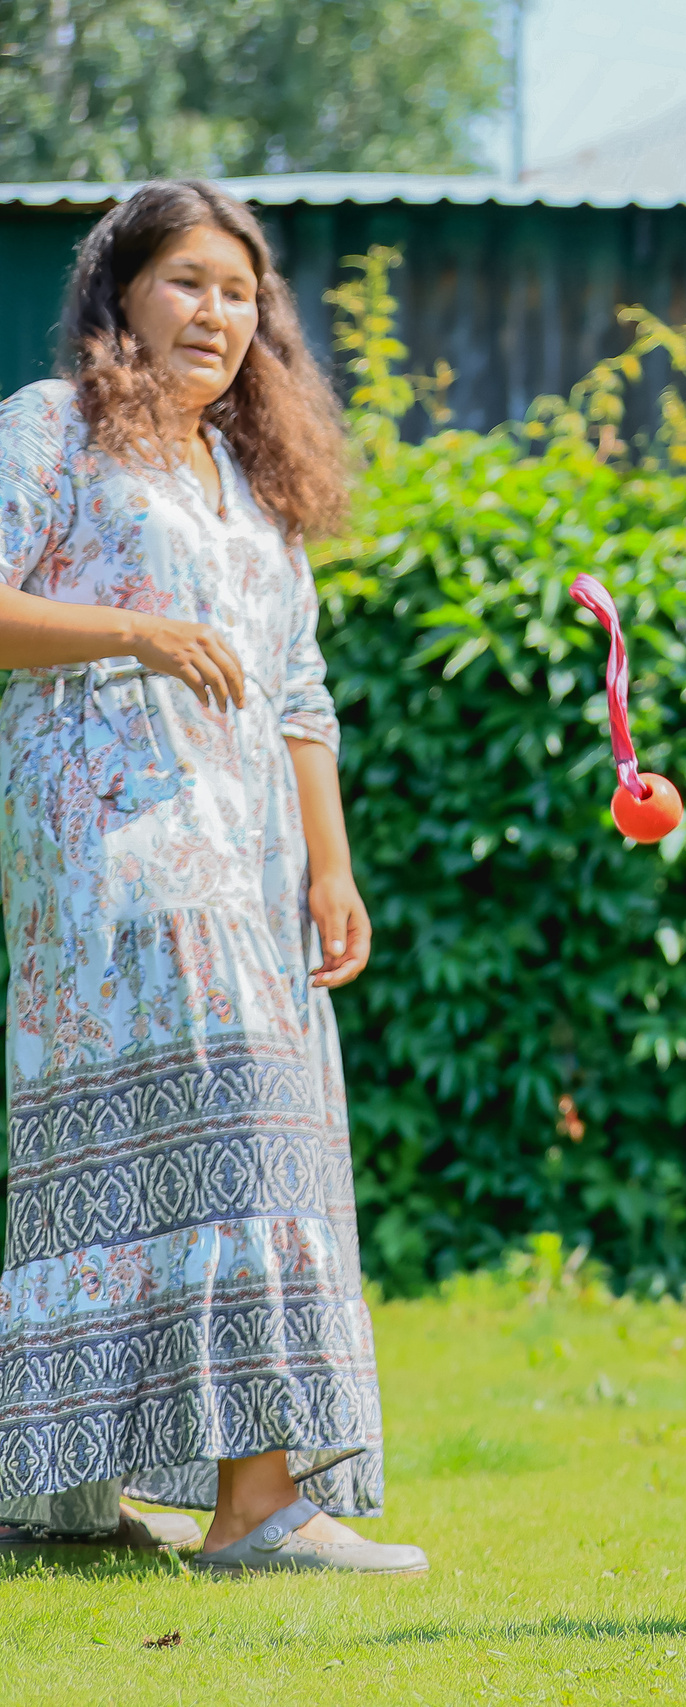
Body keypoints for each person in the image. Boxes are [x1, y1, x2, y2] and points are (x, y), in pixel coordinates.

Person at [0, 181, 421, 1574]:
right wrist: (139, 629)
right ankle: (255, 1508)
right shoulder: (53, 431)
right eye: (187, 281)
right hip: (108, 851)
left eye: (239, 292)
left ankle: (69, 1497)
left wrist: (333, 869)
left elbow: (302, 693)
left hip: (250, 863)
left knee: (229, 1141)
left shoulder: (252, 487)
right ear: (120, 293)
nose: (217, 313)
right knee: (228, 1133)